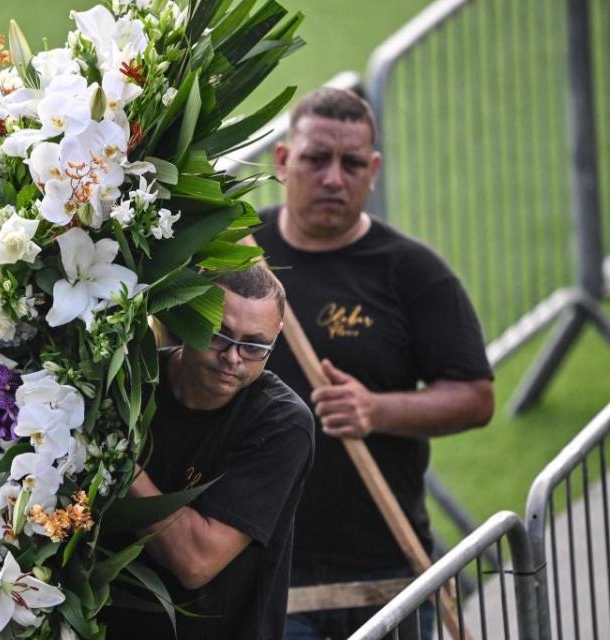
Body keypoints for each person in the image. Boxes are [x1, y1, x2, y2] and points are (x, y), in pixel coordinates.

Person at [252, 87, 495, 639]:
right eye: (316, 159)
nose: (334, 178)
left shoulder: (412, 272)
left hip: (388, 576)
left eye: (352, 163)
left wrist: (375, 410)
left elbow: (475, 395)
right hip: (265, 572)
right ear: (284, 160)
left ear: (374, 169)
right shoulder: (238, 254)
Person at [104, 265, 315, 640]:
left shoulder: (282, 423)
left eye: (254, 345)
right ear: (187, 317)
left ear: (276, 338)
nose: (233, 358)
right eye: (219, 334)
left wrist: (114, 461)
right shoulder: (131, 386)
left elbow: (196, 561)